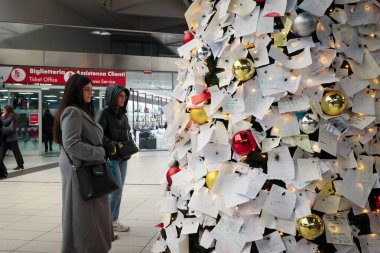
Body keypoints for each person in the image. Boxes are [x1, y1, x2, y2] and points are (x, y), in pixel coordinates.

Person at [53, 74, 113, 253]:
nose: (90, 93)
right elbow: (72, 144)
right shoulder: (72, 112)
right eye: (86, 89)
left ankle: (90, 244)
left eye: (91, 89)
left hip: (87, 166)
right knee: (82, 212)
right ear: (76, 91)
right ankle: (83, 246)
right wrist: (100, 153)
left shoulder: (82, 111)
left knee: (89, 210)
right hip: (80, 168)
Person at [96, 84, 131, 233]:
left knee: (119, 189)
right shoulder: (103, 113)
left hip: (123, 156)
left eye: (125, 96)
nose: (123, 99)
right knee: (116, 189)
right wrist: (109, 143)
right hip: (111, 157)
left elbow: (126, 132)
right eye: (120, 96)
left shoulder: (123, 114)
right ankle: (107, 222)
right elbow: (97, 133)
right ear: (113, 96)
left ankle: (113, 220)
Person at [0, 105, 24, 171]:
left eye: (4, 110)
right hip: (4, 138)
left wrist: (1, 117)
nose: (2, 111)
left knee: (16, 152)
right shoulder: (5, 116)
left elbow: (5, 123)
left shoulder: (11, 116)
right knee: (1, 152)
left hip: (11, 138)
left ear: (8, 111)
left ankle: (20, 165)